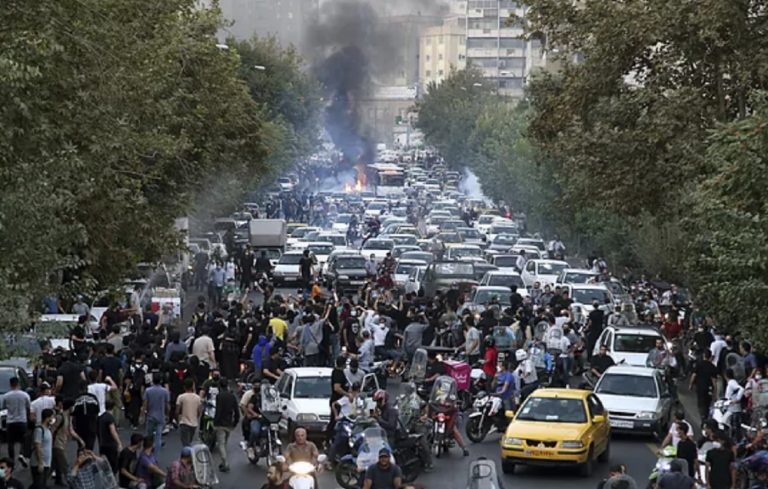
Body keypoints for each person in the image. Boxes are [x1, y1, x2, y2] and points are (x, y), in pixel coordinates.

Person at [3, 376, 31, 466]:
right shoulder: (25, 395)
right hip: (22, 420)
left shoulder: (6, 396)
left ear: (10, 384)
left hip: (10, 421)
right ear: (18, 384)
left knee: (10, 442)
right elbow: (28, 407)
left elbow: (4, 407)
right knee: (24, 439)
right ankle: (21, 453)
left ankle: (12, 461)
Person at [213, 378, 238, 473]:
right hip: (229, 424)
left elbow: (218, 411)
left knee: (221, 445)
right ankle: (223, 462)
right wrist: (235, 422)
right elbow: (236, 410)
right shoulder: (232, 396)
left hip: (221, 424)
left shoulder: (219, 396)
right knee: (224, 443)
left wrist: (215, 422)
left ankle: (225, 463)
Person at [688, 349, 718, 423]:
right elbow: (714, 381)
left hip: (700, 387)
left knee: (701, 403)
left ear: (704, 356)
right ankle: (706, 416)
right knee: (707, 403)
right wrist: (715, 392)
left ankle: (703, 417)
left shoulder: (699, 364)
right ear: (710, 357)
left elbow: (694, 375)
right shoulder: (712, 366)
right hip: (709, 388)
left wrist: (690, 385)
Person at [143, 374, 170, 456]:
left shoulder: (148, 390)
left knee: (148, 435)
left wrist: (143, 413)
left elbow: (145, 403)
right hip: (160, 416)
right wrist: (167, 414)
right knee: (158, 437)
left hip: (150, 415)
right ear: (161, 381)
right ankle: (155, 456)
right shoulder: (165, 391)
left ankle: (146, 452)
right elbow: (167, 404)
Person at [72, 382, 100, 451]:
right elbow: (97, 411)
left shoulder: (76, 399)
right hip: (91, 425)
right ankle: (89, 460)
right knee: (90, 447)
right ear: (87, 389)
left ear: (79, 389)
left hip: (80, 426)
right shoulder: (93, 398)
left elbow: (73, 414)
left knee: (81, 447)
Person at [31, 408, 54, 489]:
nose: (53, 419)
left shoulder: (48, 429)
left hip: (47, 462)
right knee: (39, 485)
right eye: (52, 417)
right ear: (47, 418)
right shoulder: (39, 430)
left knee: (42, 484)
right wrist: (40, 462)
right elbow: (38, 446)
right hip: (39, 463)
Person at [176, 378, 202, 447]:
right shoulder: (197, 398)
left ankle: (188, 456)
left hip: (184, 423)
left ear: (184, 387)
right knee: (189, 441)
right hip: (194, 424)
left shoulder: (181, 397)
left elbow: (177, 411)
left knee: (185, 444)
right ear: (192, 386)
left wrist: (178, 420)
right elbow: (199, 411)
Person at [97, 399, 122, 472]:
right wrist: (119, 443)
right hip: (111, 444)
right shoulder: (110, 418)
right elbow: (113, 431)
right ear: (113, 407)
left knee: (104, 464)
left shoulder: (100, 417)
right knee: (113, 465)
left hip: (102, 443)